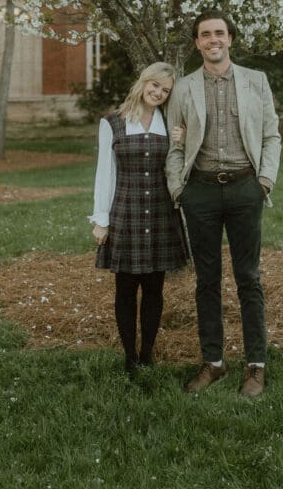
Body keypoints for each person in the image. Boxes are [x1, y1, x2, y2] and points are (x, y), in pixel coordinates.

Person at [165, 10, 281, 398]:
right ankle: (213, 362)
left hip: (245, 188)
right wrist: (179, 189)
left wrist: (264, 181)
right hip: (199, 192)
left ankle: (256, 365)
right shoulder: (184, 88)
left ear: (230, 38)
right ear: (197, 43)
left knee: (249, 277)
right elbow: (175, 145)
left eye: (219, 33)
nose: (213, 40)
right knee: (207, 280)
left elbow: (271, 136)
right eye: (205, 35)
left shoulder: (255, 81)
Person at [88, 62, 187, 377]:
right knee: (126, 288)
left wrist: (181, 141)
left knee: (155, 288)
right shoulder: (113, 122)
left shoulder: (170, 123)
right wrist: (101, 219)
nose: (158, 93)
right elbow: (105, 173)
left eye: (165, 90)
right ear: (143, 82)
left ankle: (147, 354)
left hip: (160, 212)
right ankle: (130, 356)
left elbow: (179, 167)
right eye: (154, 85)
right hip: (126, 212)